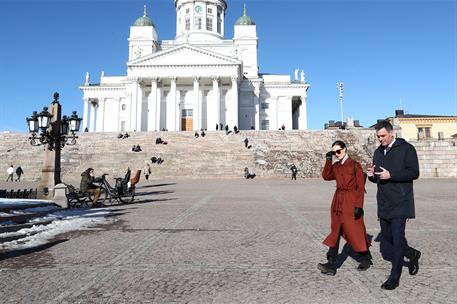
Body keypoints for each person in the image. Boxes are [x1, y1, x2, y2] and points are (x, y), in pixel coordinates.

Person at [367, 120, 421, 290]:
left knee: (397, 239)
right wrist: (371, 175)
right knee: (388, 237)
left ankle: (394, 277)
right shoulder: (377, 152)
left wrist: (392, 175)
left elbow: (414, 172)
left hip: (400, 201)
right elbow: (378, 176)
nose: (380, 139)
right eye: (378, 136)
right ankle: (412, 254)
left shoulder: (407, 149)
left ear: (392, 134)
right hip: (383, 202)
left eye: (382, 136)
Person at [318, 140, 372, 276]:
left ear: (345, 150)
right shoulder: (336, 166)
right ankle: (331, 264)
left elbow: (360, 188)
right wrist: (328, 160)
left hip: (351, 202)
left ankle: (366, 259)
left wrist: (359, 206)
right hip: (337, 202)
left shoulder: (355, 166)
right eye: (334, 152)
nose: (336, 154)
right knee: (335, 232)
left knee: (354, 232)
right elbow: (326, 176)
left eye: (338, 151)